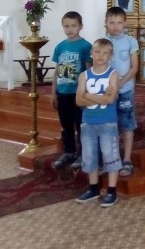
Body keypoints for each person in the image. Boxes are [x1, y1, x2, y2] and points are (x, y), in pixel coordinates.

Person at [74, 38, 120, 207]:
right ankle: (93, 188)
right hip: (88, 122)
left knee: (110, 155)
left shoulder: (113, 74)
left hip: (108, 122)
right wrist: (99, 97)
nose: (101, 56)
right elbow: (78, 100)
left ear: (110, 56)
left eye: (105, 53)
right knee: (89, 156)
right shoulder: (84, 75)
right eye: (97, 52)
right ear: (91, 53)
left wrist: (88, 95)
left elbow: (110, 100)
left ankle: (112, 191)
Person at [51, 11, 92, 170]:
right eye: (66, 26)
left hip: (78, 93)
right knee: (66, 125)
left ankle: (83, 153)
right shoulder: (60, 47)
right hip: (63, 93)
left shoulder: (86, 46)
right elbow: (57, 71)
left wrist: (86, 93)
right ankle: (69, 151)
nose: (70, 29)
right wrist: (53, 92)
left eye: (74, 25)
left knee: (80, 124)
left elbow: (88, 71)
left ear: (81, 26)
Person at [104, 6, 139, 177]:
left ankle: (127, 159)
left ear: (125, 23)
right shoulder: (102, 42)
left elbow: (134, 68)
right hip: (107, 91)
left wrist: (119, 84)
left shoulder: (131, 41)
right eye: (112, 22)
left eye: (119, 22)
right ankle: (112, 158)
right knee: (109, 124)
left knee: (127, 123)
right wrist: (109, 85)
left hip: (125, 89)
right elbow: (98, 65)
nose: (116, 26)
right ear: (105, 23)